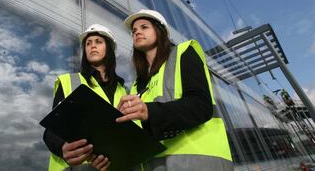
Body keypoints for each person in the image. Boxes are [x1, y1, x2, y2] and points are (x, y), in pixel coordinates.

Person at [116, 9, 233, 170]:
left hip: (199, 163)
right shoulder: (137, 85)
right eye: (134, 31)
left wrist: (150, 112)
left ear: (160, 30)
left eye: (144, 27)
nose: (137, 32)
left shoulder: (183, 53)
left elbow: (201, 105)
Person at [43, 24, 127, 171]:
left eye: (98, 42)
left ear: (110, 49)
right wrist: (62, 147)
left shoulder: (124, 91)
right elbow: (51, 130)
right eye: (88, 43)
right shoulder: (69, 81)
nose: (92, 46)